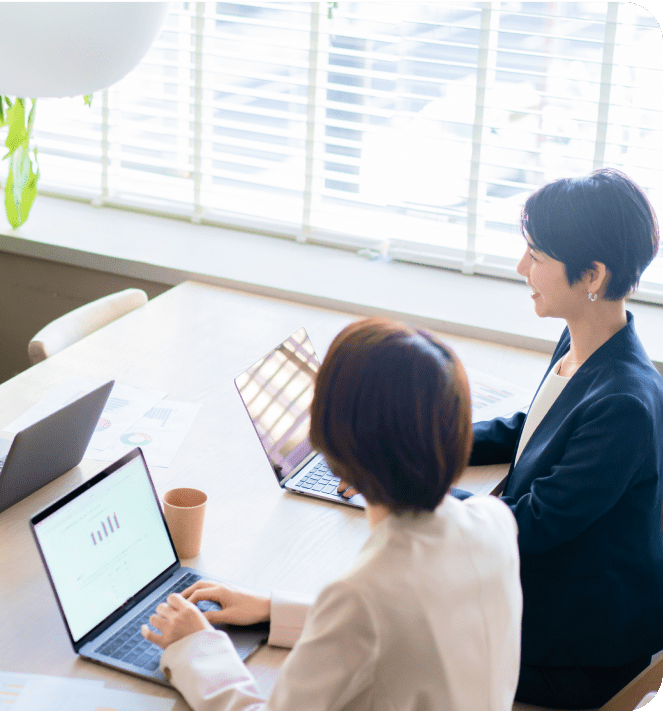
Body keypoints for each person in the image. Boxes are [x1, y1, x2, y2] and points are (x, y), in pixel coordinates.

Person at [141, 317, 523, 711]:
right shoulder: (492, 521)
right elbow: (398, 627)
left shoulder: (362, 596)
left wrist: (196, 649)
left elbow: (369, 618)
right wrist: (274, 611)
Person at [470, 168, 663, 709]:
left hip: (578, 655)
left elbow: (534, 522)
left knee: (398, 643)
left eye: (536, 255)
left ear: (593, 274)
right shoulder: (585, 342)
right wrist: (419, 444)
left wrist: (414, 494)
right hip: (552, 597)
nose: (521, 267)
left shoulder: (625, 401)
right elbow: (531, 430)